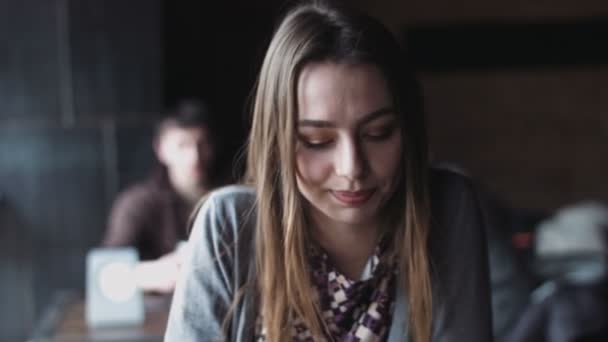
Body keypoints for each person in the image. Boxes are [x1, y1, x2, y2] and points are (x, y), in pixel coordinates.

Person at [165, 2, 492, 341]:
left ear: (408, 131)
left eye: (378, 133)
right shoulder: (229, 224)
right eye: (316, 140)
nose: (352, 168)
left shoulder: (446, 208)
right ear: (276, 140)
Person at [102, 99, 216, 293]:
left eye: (201, 144)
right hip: (158, 317)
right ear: (161, 150)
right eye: (182, 145)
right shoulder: (137, 202)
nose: (194, 156)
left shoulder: (228, 199)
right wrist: (151, 274)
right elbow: (105, 270)